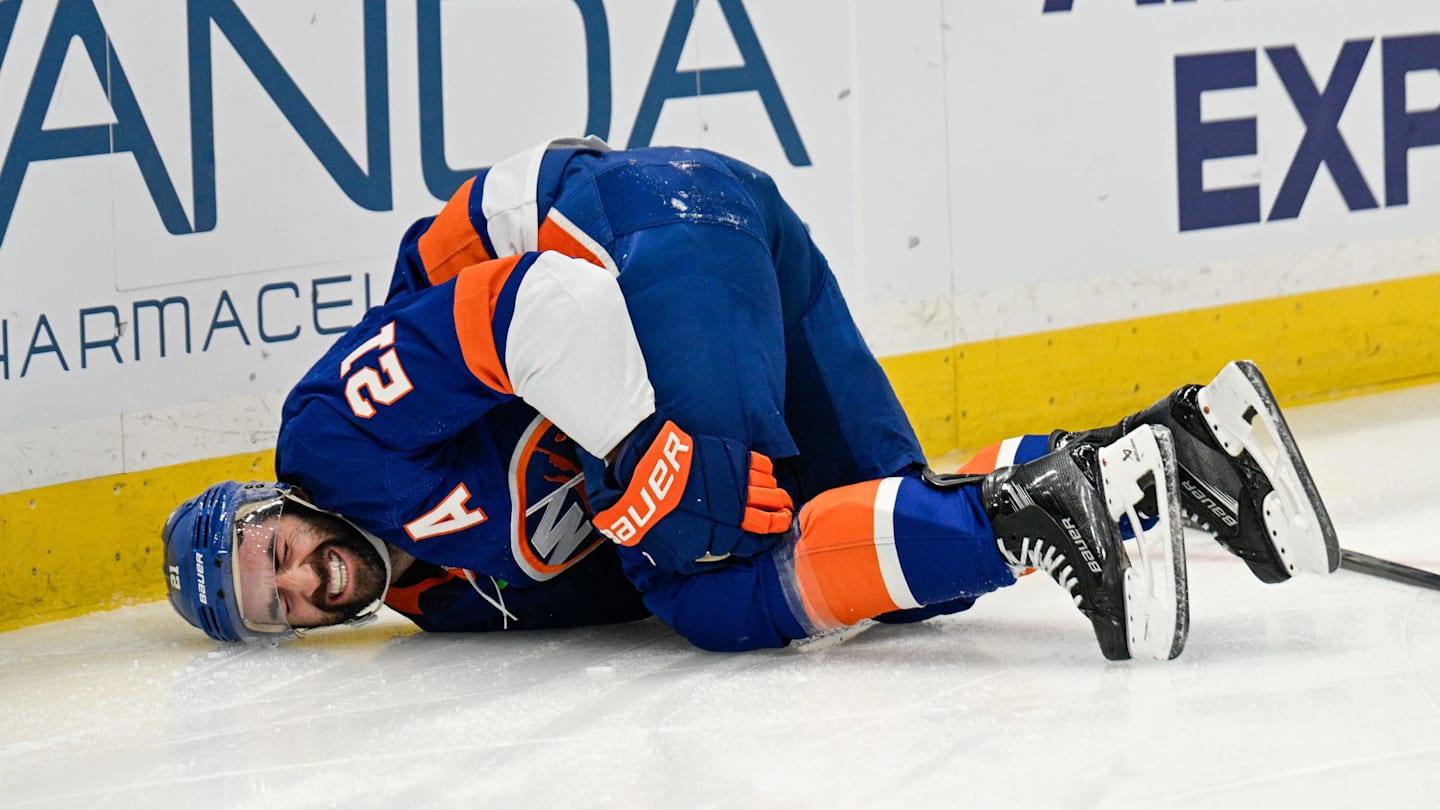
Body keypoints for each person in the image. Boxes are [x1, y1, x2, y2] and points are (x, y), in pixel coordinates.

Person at [161, 138, 1339, 660]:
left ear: (274, 503)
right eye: (275, 608)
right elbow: (619, 559)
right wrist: (655, 490)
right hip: (724, 240)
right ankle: (1170, 456)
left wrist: (646, 459)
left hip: (650, 235)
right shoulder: (449, 604)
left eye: (272, 551)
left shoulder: (332, 438)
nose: (300, 582)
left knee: (711, 581)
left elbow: (543, 312)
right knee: (884, 564)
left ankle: (1047, 501)